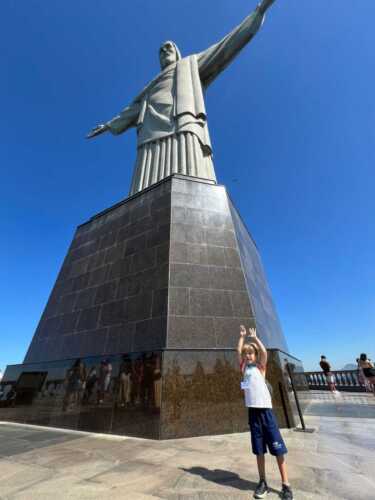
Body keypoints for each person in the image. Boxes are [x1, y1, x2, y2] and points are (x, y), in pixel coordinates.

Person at [87, 1, 277, 196]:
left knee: (190, 171)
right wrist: (109, 125)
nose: (164, 51)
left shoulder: (190, 64)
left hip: (182, 120)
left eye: (168, 47)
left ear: (177, 51)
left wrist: (258, 12)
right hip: (150, 132)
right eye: (160, 51)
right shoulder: (149, 88)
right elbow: (132, 111)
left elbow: (225, 47)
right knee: (145, 182)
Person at [238, 325, 293, 499]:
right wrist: (241, 337)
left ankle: (286, 484)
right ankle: (263, 482)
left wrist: (254, 339)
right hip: (253, 413)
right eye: (246, 354)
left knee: (278, 449)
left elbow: (263, 352)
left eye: (250, 353)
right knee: (259, 450)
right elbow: (238, 350)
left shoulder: (260, 367)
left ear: (254, 356)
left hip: (266, 413)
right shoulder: (243, 368)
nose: (248, 355)